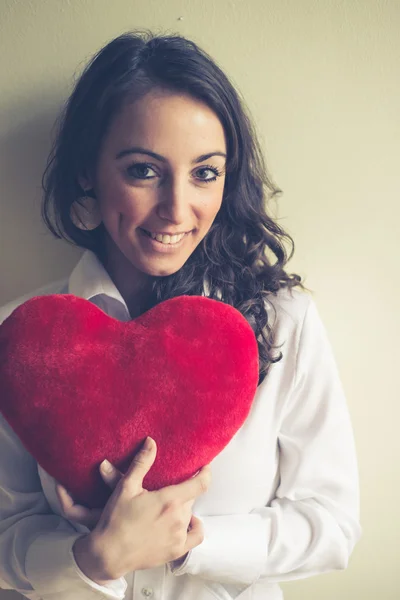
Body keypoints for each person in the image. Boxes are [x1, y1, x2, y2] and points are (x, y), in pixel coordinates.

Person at [0, 30, 361, 600]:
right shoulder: (23, 337)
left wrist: (188, 543)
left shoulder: (283, 321)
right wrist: (93, 559)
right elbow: (6, 530)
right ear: (87, 173)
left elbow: (332, 525)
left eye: (205, 173)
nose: (177, 209)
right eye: (144, 171)